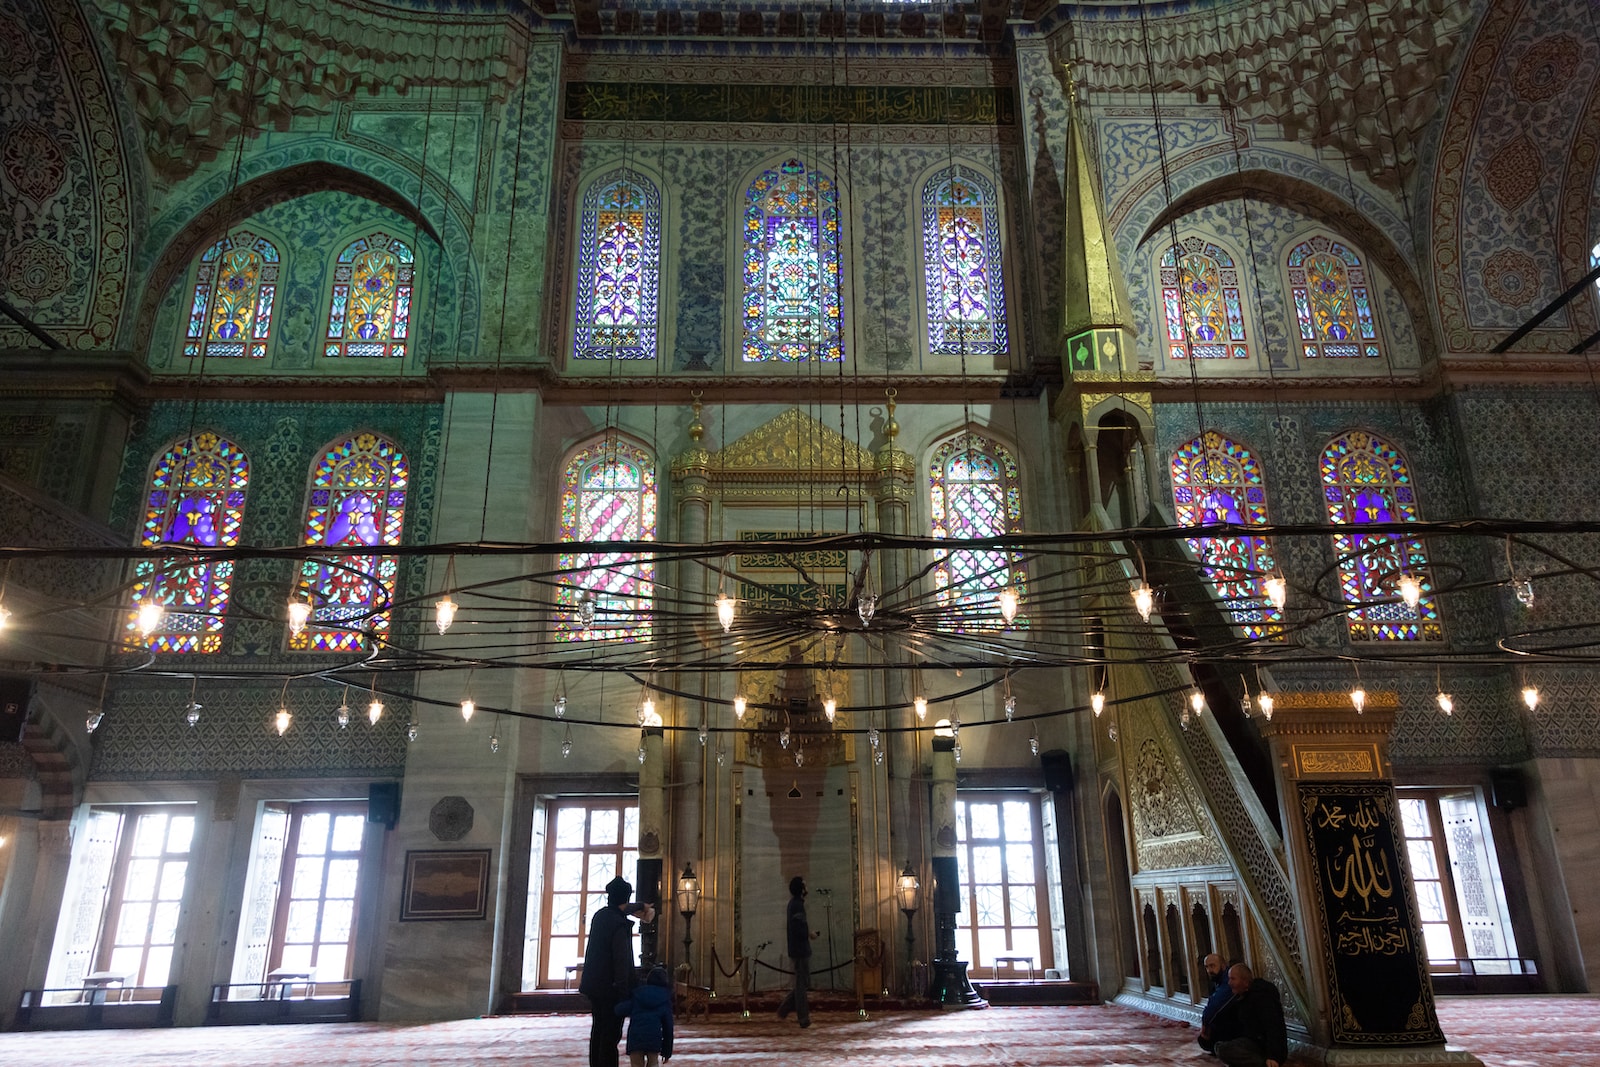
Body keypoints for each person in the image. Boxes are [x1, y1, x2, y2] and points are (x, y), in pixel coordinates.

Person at [580, 875, 656, 1067]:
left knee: (598, 1031)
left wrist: (640, 906)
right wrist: (624, 992)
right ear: (626, 897)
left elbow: (620, 907)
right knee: (610, 1037)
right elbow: (621, 961)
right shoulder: (619, 925)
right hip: (611, 990)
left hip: (594, 986)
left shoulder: (601, 915)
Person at [1204, 962, 1288, 1067]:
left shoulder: (1262, 998)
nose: (1229, 983)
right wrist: (1209, 1028)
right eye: (1229, 979)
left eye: (1233, 979)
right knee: (1218, 1045)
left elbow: (1273, 1027)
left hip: (1266, 1047)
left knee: (1222, 1050)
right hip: (1252, 1041)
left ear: (1245, 982)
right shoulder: (1241, 995)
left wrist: (1273, 1056)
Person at [776, 875, 818, 1028]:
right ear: (801, 889)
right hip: (800, 950)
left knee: (802, 984)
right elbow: (798, 929)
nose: (807, 887)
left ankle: (784, 1009)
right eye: (805, 885)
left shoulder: (795, 904)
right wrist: (809, 935)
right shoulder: (797, 906)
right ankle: (804, 1020)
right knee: (801, 986)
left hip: (798, 948)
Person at [616, 964, 674, 1067]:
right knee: (653, 1064)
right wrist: (667, 1051)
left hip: (635, 1038)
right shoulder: (665, 999)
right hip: (654, 1039)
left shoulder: (637, 994)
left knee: (636, 1064)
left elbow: (620, 1010)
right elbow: (668, 1028)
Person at [1197, 953, 1233, 1052]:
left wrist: (1205, 1025)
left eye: (1212, 966)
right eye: (1206, 967)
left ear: (1223, 966)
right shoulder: (1219, 980)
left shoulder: (1229, 980)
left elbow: (1214, 1007)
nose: (1209, 970)